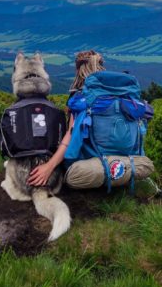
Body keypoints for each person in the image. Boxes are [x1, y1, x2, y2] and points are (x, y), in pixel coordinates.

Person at [27, 50, 105, 187]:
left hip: (88, 161)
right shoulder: (116, 93)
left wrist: (49, 167)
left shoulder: (80, 98)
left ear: (78, 69)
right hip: (121, 160)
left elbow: (71, 135)